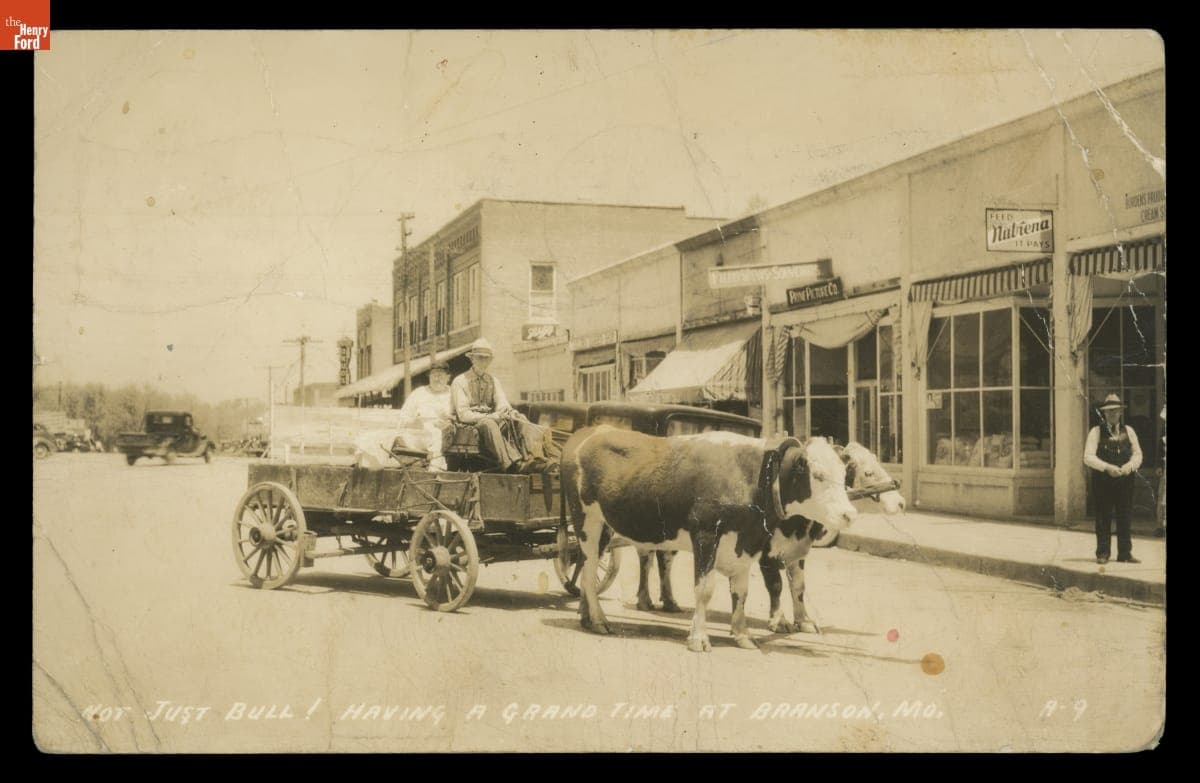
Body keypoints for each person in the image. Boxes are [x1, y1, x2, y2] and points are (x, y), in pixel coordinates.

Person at [448, 338, 548, 472]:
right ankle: (511, 464)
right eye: (480, 358)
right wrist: (493, 416)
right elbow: (464, 414)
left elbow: (502, 403)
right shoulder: (460, 381)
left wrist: (508, 412)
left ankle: (532, 458)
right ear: (472, 359)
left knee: (521, 418)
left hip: (492, 421)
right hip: (470, 425)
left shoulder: (493, 381)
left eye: (487, 359)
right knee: (488, 423)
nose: (483, 362)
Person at [354, 361, 453, 470]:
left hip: (445, 434)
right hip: (420, 434)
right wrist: (414, 422)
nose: (437, 379)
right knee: (376, 438)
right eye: (434, 375)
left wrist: (448, 421)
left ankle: (436, 471)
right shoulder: (419, 393)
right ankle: (367, 471)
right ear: (429, 377)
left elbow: (459, 415)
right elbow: (404, 416)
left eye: (441, 376)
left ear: (448, 377)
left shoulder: (453, 393)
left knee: (438, 441)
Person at [1083, 393, 1143, 564]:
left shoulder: (1129, 431)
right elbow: (1087, 457)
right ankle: (1103, 553)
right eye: (1109, 411)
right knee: (1103, 516)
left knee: (1125, 515)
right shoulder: (1095, 432)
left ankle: (1125, 553)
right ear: (1104, 413)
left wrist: (1129, 466)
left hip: (1125, 480)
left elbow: (1138, 454)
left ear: (1120, 413)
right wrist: (1107, 467)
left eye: (1115, 411)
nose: (1112, 414)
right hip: (1103, 481)